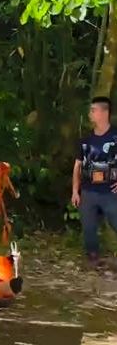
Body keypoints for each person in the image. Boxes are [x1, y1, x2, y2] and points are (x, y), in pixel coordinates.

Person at [72, 96, 117, 267]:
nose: (90, 114)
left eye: (93, 110)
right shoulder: (86, 141)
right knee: (88, 227)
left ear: (104, 112)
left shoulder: (115, 137)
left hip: (110, 192)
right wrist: (75, 191)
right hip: (88, 191)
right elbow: (77, 167)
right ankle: (93, 257)